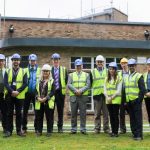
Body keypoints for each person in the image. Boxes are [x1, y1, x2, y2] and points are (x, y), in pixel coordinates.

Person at [4, 53, 27, 137]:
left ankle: (18, 131)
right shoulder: (7, 71)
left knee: (19, 114)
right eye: (14, 60)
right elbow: (6, 83)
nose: (15, 61)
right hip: (9, 95)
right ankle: (9, 131)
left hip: (19, 95)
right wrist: (11, 91)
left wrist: (17, 91)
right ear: (12, 61)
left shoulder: (24, 71)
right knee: (9, 113)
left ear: (19, 61)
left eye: (17, 60)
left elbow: (25, 83)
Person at [124, 58, 147, 140]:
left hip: (136, 101)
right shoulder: (126, 77)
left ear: (135, 66)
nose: (131, 67)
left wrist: (139, 101)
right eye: (130, 66)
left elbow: (142, 90)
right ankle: (134, 134)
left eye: (133, 65)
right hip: (129, 101)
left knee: (138, 119)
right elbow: (126, 89)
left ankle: (139, 135)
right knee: (132, 119)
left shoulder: (139, 76)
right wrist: (125, 101)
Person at [68, 59, 90, 134]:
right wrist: (75, 91)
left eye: (80, 65)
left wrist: (80, 91)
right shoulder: (71, 75)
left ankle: (83, 129)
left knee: (83, 114)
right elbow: (69, 84)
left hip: (83, 96)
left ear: (82, 66)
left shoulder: (87, 75)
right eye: (77, 66)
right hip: (74, 96)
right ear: (75, 66)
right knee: (73, 113)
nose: (78, 67)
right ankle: (73, 129)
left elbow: (88, 85)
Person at [90, 55, 110, 134]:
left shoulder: (107, 71)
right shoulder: (92, 72)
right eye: (98, 62)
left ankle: (106, 128)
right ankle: (97, 128)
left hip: (105, 95)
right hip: (97, 95)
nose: (99, 63)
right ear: (96, 63)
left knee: (106, 114)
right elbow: (90, 83)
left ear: (103, 63)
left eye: (101, 62)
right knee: (97, 114)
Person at [22, 54, 41, 134]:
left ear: (36, 61)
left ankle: (36, 128)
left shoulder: (40, 70)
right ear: (29, 61)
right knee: (25, 111)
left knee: (37, 111)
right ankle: (24, 127)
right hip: (26, 93)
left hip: (36, 94)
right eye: (31, 60)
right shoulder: (24, 70)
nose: (32, 62)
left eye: (34, 60)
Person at [35, 64, 55, 137]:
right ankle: (39, 131)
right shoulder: (38, 81)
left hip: (48, 102)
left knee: (49, 118)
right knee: (39, 117)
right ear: (42, 72)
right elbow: (35, 91)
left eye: (47, 71)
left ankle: (49, 131)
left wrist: (46, 98)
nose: (45, 72)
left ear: (49, 72)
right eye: (44, 71)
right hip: (39, 101)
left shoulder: (52, 81)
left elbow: (53, 91)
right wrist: (38, 98)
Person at [104, 62, 122, 137]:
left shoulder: (119, 78)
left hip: (116, 100)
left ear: (115, 70)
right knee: (111, 116)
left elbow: (118, 90)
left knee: (115, 116)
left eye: (113, 69)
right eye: (110, 69)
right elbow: (104, 89)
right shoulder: (106, 78)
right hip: (108, 100)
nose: (111, 70)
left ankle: (116, 132)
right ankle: (112, 131)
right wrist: (107, 97)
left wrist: (111, 97)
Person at [51, 53, 68, 133]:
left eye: (57, 59)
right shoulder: (50, 70)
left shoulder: (64, 70)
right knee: (50, 110)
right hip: (52, 93)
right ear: (52, 61)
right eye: (54, 60)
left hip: (60, 93)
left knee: (60, 111)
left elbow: (66, 80)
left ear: (59, 60)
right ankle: (50, 126)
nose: (56, 61)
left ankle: (60, 127)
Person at [118, 58, 129, 134]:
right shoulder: (119, 74)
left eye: (125, 63)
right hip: (121, 95)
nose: (124, 65)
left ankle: (133, 127)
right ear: (121, 65)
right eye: (122, 63)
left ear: (127, 64)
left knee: (131, 113)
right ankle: (122, 129)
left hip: (129, 94)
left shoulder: (131, 73)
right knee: (121, 114)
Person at [0, 54, 7, 134]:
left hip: (4, 95)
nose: (0, 62)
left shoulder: (6, 71)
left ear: (4, 62)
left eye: (2, 61)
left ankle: (5, 128)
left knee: (4, 112)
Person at [143, 58, 150, 126]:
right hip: (147, 95)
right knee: (149, 112)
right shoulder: (144, 75)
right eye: (148, 64)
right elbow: (143, 85)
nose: (149, 66)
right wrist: (146, 93)